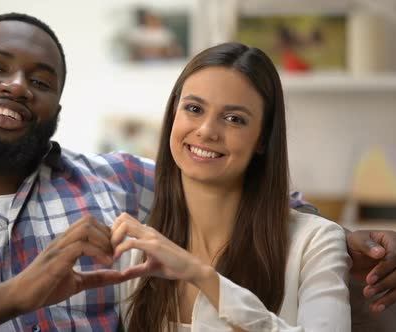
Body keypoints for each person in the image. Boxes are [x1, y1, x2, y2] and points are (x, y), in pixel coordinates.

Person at [0, 12, 396, 332]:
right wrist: (16, 296)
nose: (18, 85)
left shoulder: (110, 183)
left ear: (55, 111)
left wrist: (351, 243)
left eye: (41, 81)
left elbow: (239, 188)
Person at [111, 42, 342, 331]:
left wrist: (203, 277)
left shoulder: (316, 243)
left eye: (234, 119)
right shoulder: (133, 253)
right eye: (194, 108)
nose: (207, 130)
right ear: (173, 115)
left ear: (262, 139)